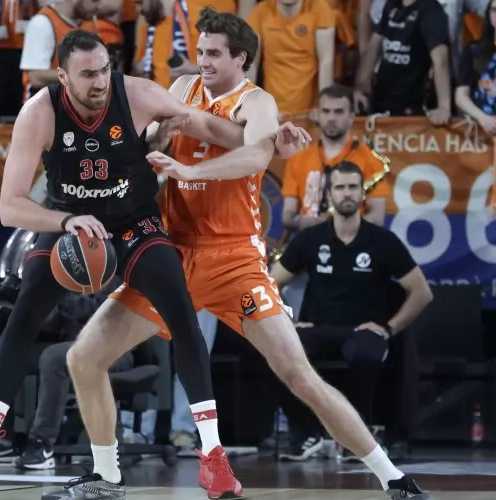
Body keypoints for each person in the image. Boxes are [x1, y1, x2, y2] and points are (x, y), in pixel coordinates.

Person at [0, 29, 309, 497]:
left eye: (104, 70)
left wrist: (267, 142)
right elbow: (10, 208)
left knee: (182, 315)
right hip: (74, 225)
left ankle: (213, 457)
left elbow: (210, 127)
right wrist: (66, 220)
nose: (99, 81)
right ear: (62, 77)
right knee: (24, 314)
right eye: (87, 75)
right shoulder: (39, 112)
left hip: (134, 224)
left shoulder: (137, 93)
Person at [85, 9, 429, 499]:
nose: (202, 61)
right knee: (85, 356)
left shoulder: (257, 102)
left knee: (300, 375)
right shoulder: (181, 89)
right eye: (200, 51)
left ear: (241, 58)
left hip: (234, 259)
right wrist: (156, 140)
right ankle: (105, 478)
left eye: (213, 53)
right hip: (173, 253)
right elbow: (146, 144)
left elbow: (254, 155)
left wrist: (191, 172)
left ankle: (392, 477)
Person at [270, 161, 432, 463]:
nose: (347, 193)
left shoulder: (382, 240)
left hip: (363, 330)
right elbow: (269, 283)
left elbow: (422, 292)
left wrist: (389, 328)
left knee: (365, 354)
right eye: (340, 187)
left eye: (353, 187)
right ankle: (305, 435)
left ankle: (358, 437)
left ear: (362, 193)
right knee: (278, 348)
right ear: (329, 194)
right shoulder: (310, 238)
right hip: (317, 328)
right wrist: (288, 322)